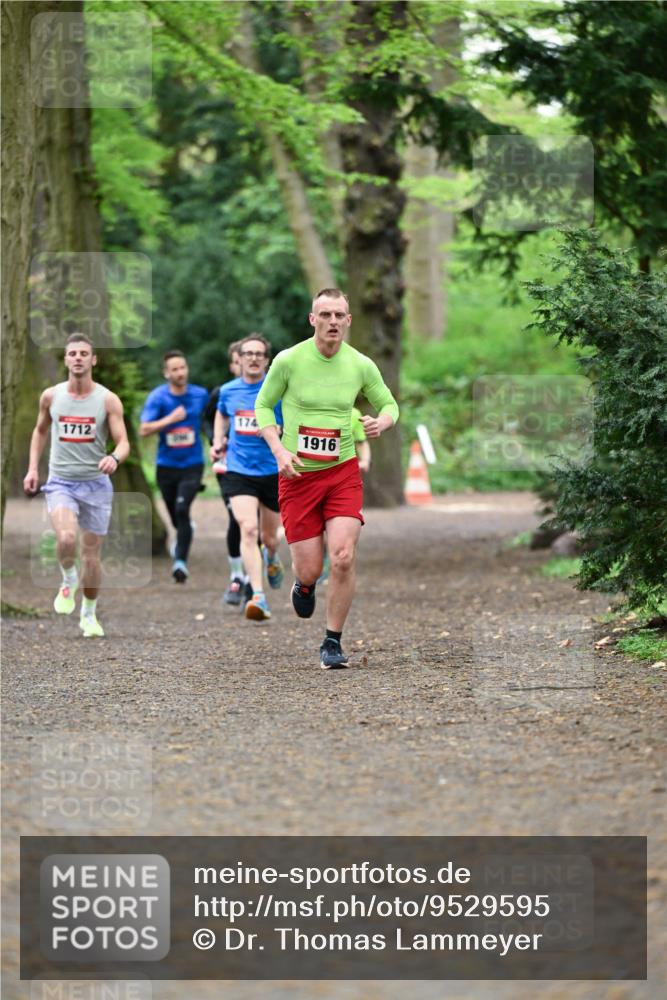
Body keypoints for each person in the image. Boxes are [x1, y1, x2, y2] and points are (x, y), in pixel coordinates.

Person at [256, 288, 399, 668]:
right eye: (325, 315)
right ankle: (304, 585)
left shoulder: (360, 364)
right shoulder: (289, 360)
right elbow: (263, 405)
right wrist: (279, 451)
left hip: (342, 473)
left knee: (343, 557)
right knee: (310, 569)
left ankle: (332, 641)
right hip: (298, 475)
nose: (332, 321)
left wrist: (382, 422)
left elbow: (389, 404)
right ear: (312, 319)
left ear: (348, 320)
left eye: (339, 315)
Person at [22, 333, 130, 638]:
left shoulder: (107, 399)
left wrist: (114, 458)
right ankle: (68, 578)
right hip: (61, 482)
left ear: (93, 359)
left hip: (96, 485)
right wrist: (33, 468)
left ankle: (89, 614)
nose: (78, 358)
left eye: (84, 353)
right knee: (67, 537)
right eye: (73, 353)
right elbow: (40, 431)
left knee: (92, 556)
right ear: (66, 359)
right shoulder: (51, 396)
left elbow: (123, 442)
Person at [211, 334, 284, 622]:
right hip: (239, 470)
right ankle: (258, 595)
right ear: (239, 359)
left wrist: (278, 430)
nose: (253, 358)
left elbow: (292, 422)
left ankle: (272, 557)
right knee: (248, 529)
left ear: (267, 360)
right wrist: (218, 440)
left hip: (272, 470)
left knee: (269, 538)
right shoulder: (228, 391)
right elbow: (221, 415)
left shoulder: (277, 390)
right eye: (248, 354)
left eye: (259, 354)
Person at [139, 351, 208, 583]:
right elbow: (144, 429)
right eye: (175, 369)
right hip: (166, 466)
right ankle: (184, 531)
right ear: (166, 373)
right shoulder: (158, 397)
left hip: (193, 464)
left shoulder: (200, 395)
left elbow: (212, 418)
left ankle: (180, 563)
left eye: (183, 367)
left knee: (181, 509)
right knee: (177, 516)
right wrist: (170, 419)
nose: (180, 373)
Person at [202, 340, 249, 605]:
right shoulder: (223, 392)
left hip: (259, 465)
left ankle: (253, 575)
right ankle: (237, 576)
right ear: (233, 364)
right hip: (227, 464)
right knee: (237, 518)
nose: (243, 363)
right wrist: (215, 440)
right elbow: (207, 419)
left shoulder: (267, 391)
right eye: (237, 360)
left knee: (256, 523)